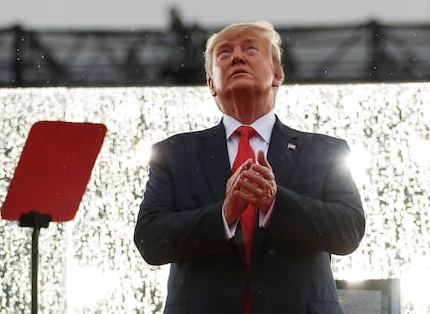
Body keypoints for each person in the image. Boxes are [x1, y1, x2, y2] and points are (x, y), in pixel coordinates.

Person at [134, 20, 366, 314]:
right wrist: (224, 214)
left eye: (250, 49)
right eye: (224, 53)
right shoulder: (173, 154)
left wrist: (275, 203)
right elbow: (150, 240)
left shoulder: (324, 152)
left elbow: (348, 231)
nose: (237, 57)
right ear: (210, 84)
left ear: (277, 75)